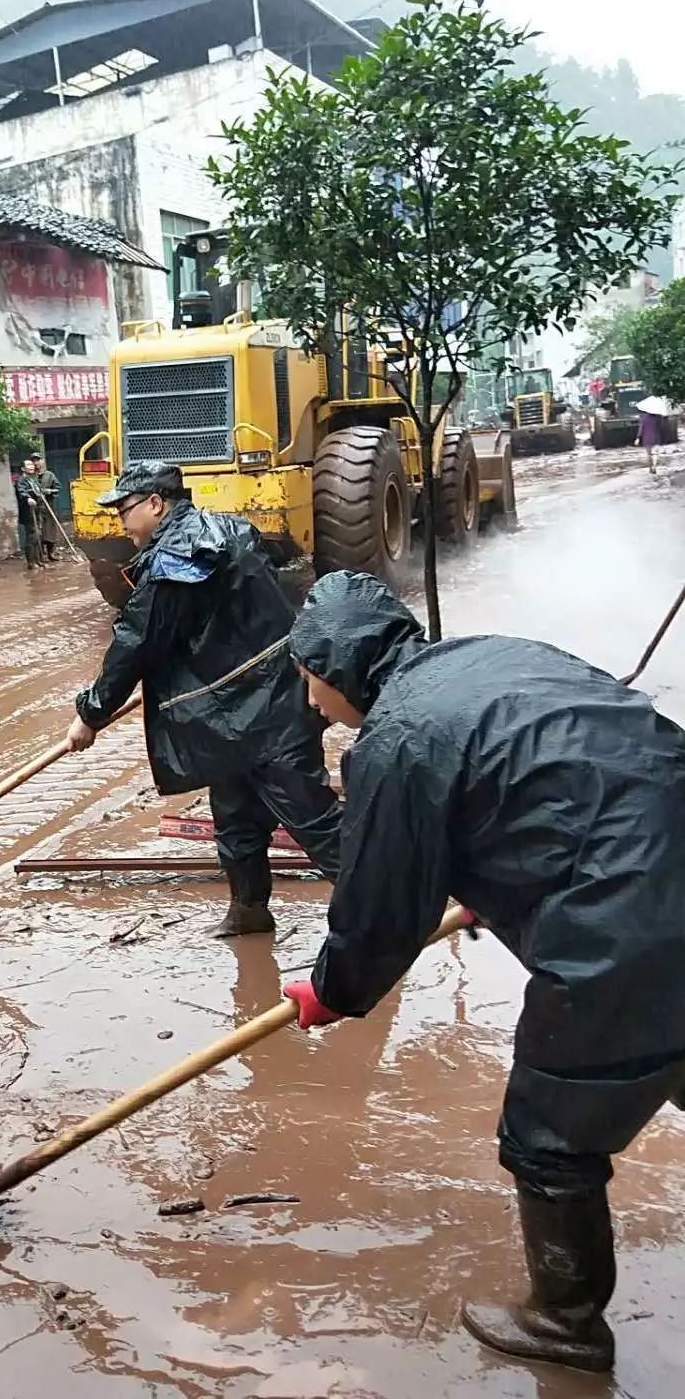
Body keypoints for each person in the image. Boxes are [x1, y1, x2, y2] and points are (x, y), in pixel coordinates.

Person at [279, 570, 685, 1374]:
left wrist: (332, 989)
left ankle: (566, 1323)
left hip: (625, 919)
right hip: (659, 861)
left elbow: (379, 909)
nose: (313, 704)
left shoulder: (396, 738)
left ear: (332, 665)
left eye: (308, 681)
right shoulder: (492, 657)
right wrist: (492, 887)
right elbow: (559, 787)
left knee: (549, 1135)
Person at [66, 462, 342, 937]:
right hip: (235, 707)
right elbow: (209, 623)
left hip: (264, 710)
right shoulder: (229, 529)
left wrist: (90, 713)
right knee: (234, 814)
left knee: (311, 816)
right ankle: (248, 911)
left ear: (156, 503)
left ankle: (385, 911)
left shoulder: (177, 557)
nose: (121, 524)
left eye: (125, 511)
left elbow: (135, 642)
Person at [14, 459, 45, 571]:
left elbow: (38, 491)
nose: (31, 466)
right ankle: (31, 562)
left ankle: (38, 560)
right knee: (32, 536)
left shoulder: (33, 479)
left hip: (37, 510)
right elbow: (22, 491)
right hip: (28, 512)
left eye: (32, 464)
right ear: (23, 469)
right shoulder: (21, 480)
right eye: (28, 465)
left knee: (37, 536)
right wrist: (28, 498)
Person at [32, 450, 61, 563]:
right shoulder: (31, 477)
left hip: (48, 507)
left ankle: (51, 553)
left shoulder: (50, 475)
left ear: (42, 462)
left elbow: (58, 488)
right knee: (38, 532)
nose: (36, 463)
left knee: (50, 531)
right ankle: (39, 556)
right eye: (34, 461)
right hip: (36, 508)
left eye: (38, 460)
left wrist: (49, 491)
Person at [636, 406, 662, 475]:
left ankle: (650, 468)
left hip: (647, 439)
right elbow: (660, 427)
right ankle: (654, 467)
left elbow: (641, 429)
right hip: (656, 438)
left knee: (649, 455)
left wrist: (638, 438)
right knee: (655, 454)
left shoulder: (643, 418)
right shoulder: (657, 418)